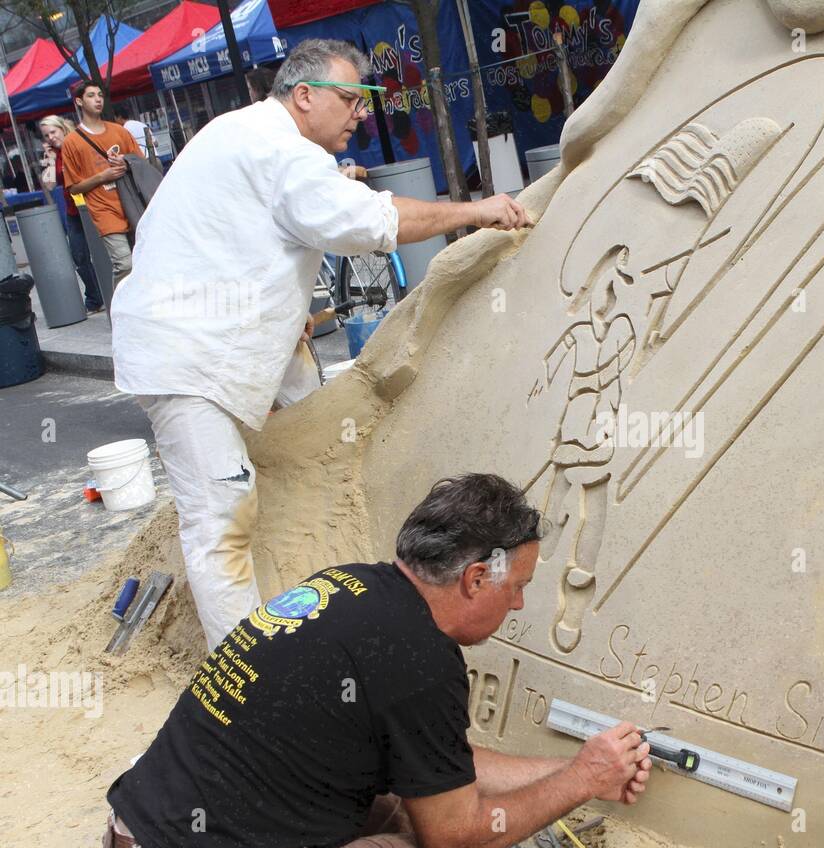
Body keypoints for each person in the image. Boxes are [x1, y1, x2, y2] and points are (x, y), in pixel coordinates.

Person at [110, 39, 533, 652]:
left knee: (309, 416)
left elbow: (202, 233)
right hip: (187, 354)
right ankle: (243, 676)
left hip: (201, 335)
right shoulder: (280, 148)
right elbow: (369, 225)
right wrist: (475, 210)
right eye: (348, 98)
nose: (360, 113)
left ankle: (306, 584)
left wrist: (283, 314)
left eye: (365, 100)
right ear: (303, 96)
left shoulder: (242, 134)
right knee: (221, 513)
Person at [100, 473, 654, 848]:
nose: (518, 607)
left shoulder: (353, 586)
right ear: (477, 578)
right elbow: (454, 839)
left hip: (138, 830)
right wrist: (582, 781)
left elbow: (442, 767)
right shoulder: (419, 660)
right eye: (518, 588)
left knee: (410, 809)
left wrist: (577, 767)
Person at [60, 80, 141, 287]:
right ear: (79, 101)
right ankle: (121, 312)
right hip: (104, 210)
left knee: (144, 262)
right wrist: (102, 177)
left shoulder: (120, 131)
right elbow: (73, 188)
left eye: (100, 95)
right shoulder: (72, 142)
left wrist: (125, 162)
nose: (97, 99)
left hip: (131, 203)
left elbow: (141, 164)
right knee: (125, 263)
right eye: (91, 95)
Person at [37, 116, 105, 313]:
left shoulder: (76, 143)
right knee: (79, 255)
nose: (50, 137)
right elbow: (49, 184)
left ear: (62, 128)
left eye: (53, 132)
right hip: (73, 211)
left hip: (93, 205)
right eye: (46, 135)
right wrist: (48, 160)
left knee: (103, 252)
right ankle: (95, 297)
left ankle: (107, 293)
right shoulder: (54, 155)